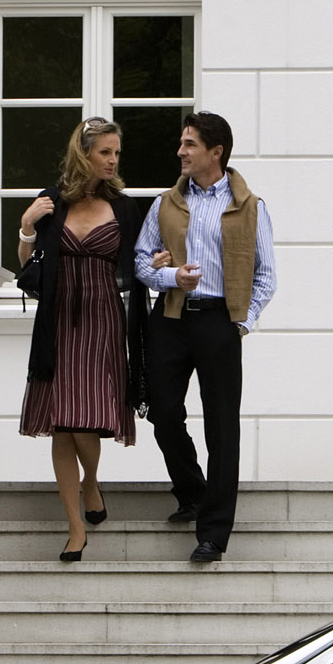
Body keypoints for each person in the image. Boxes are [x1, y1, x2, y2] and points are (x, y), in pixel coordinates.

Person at [131, 111, 275, 564]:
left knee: (221, 426)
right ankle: (193, 490)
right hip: (170, 320)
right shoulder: (164, 204)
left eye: (190, 144)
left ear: (216, 152)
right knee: (163, 411)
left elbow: (265, 276)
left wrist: (242, 321)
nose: (180, 152)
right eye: (181, 143)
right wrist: (172, 275)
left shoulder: (251, 207)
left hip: (219, 323)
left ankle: (213, 533)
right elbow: (139, 264)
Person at [13, 118, 151, 564]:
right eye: (105, 152)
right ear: (84, 154)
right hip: (58, 319)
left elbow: (141, 265)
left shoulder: (126, 209)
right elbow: (28, 266)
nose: (112, 161)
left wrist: (160, 262)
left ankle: (91, 480)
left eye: (117, 153)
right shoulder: (53, 201)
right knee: (62, 423)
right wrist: (27, 227)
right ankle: (76, 528)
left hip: (103, 319)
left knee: (85, 420)